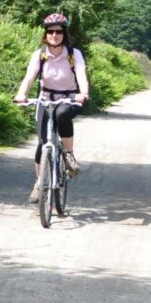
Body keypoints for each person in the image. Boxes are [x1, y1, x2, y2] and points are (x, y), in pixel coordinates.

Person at [13, 12, 90, 203]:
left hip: (69, 98)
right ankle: (39, 183)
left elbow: (81, 74)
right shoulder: (39, 55)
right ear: (45, 34)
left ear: (64, 33)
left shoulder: (74, 54)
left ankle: (69, 156)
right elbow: (29, 77)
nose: (54, 35)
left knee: (63, 114)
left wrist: (83, 94)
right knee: (42, 143)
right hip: (46, 98)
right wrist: (22, 94)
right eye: (50, 32)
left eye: (58, 32)